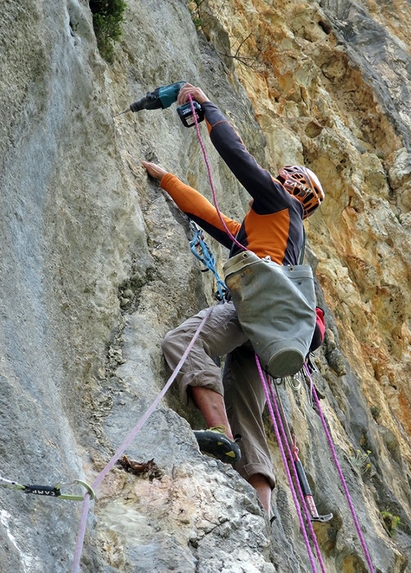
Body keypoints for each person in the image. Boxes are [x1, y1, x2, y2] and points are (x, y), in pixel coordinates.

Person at [141, 83, 325, 518]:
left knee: (184, 341)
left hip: (255, 314)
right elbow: (209, 216)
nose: (273, 178)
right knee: (247, 407)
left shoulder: (280, 204)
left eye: (280, 177)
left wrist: (206, 106)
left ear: (289, 185)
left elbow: (235, 155)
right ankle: (263, 512)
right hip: (273, 334)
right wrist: (166, 178)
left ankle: (218, 432)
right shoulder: (265, 231)